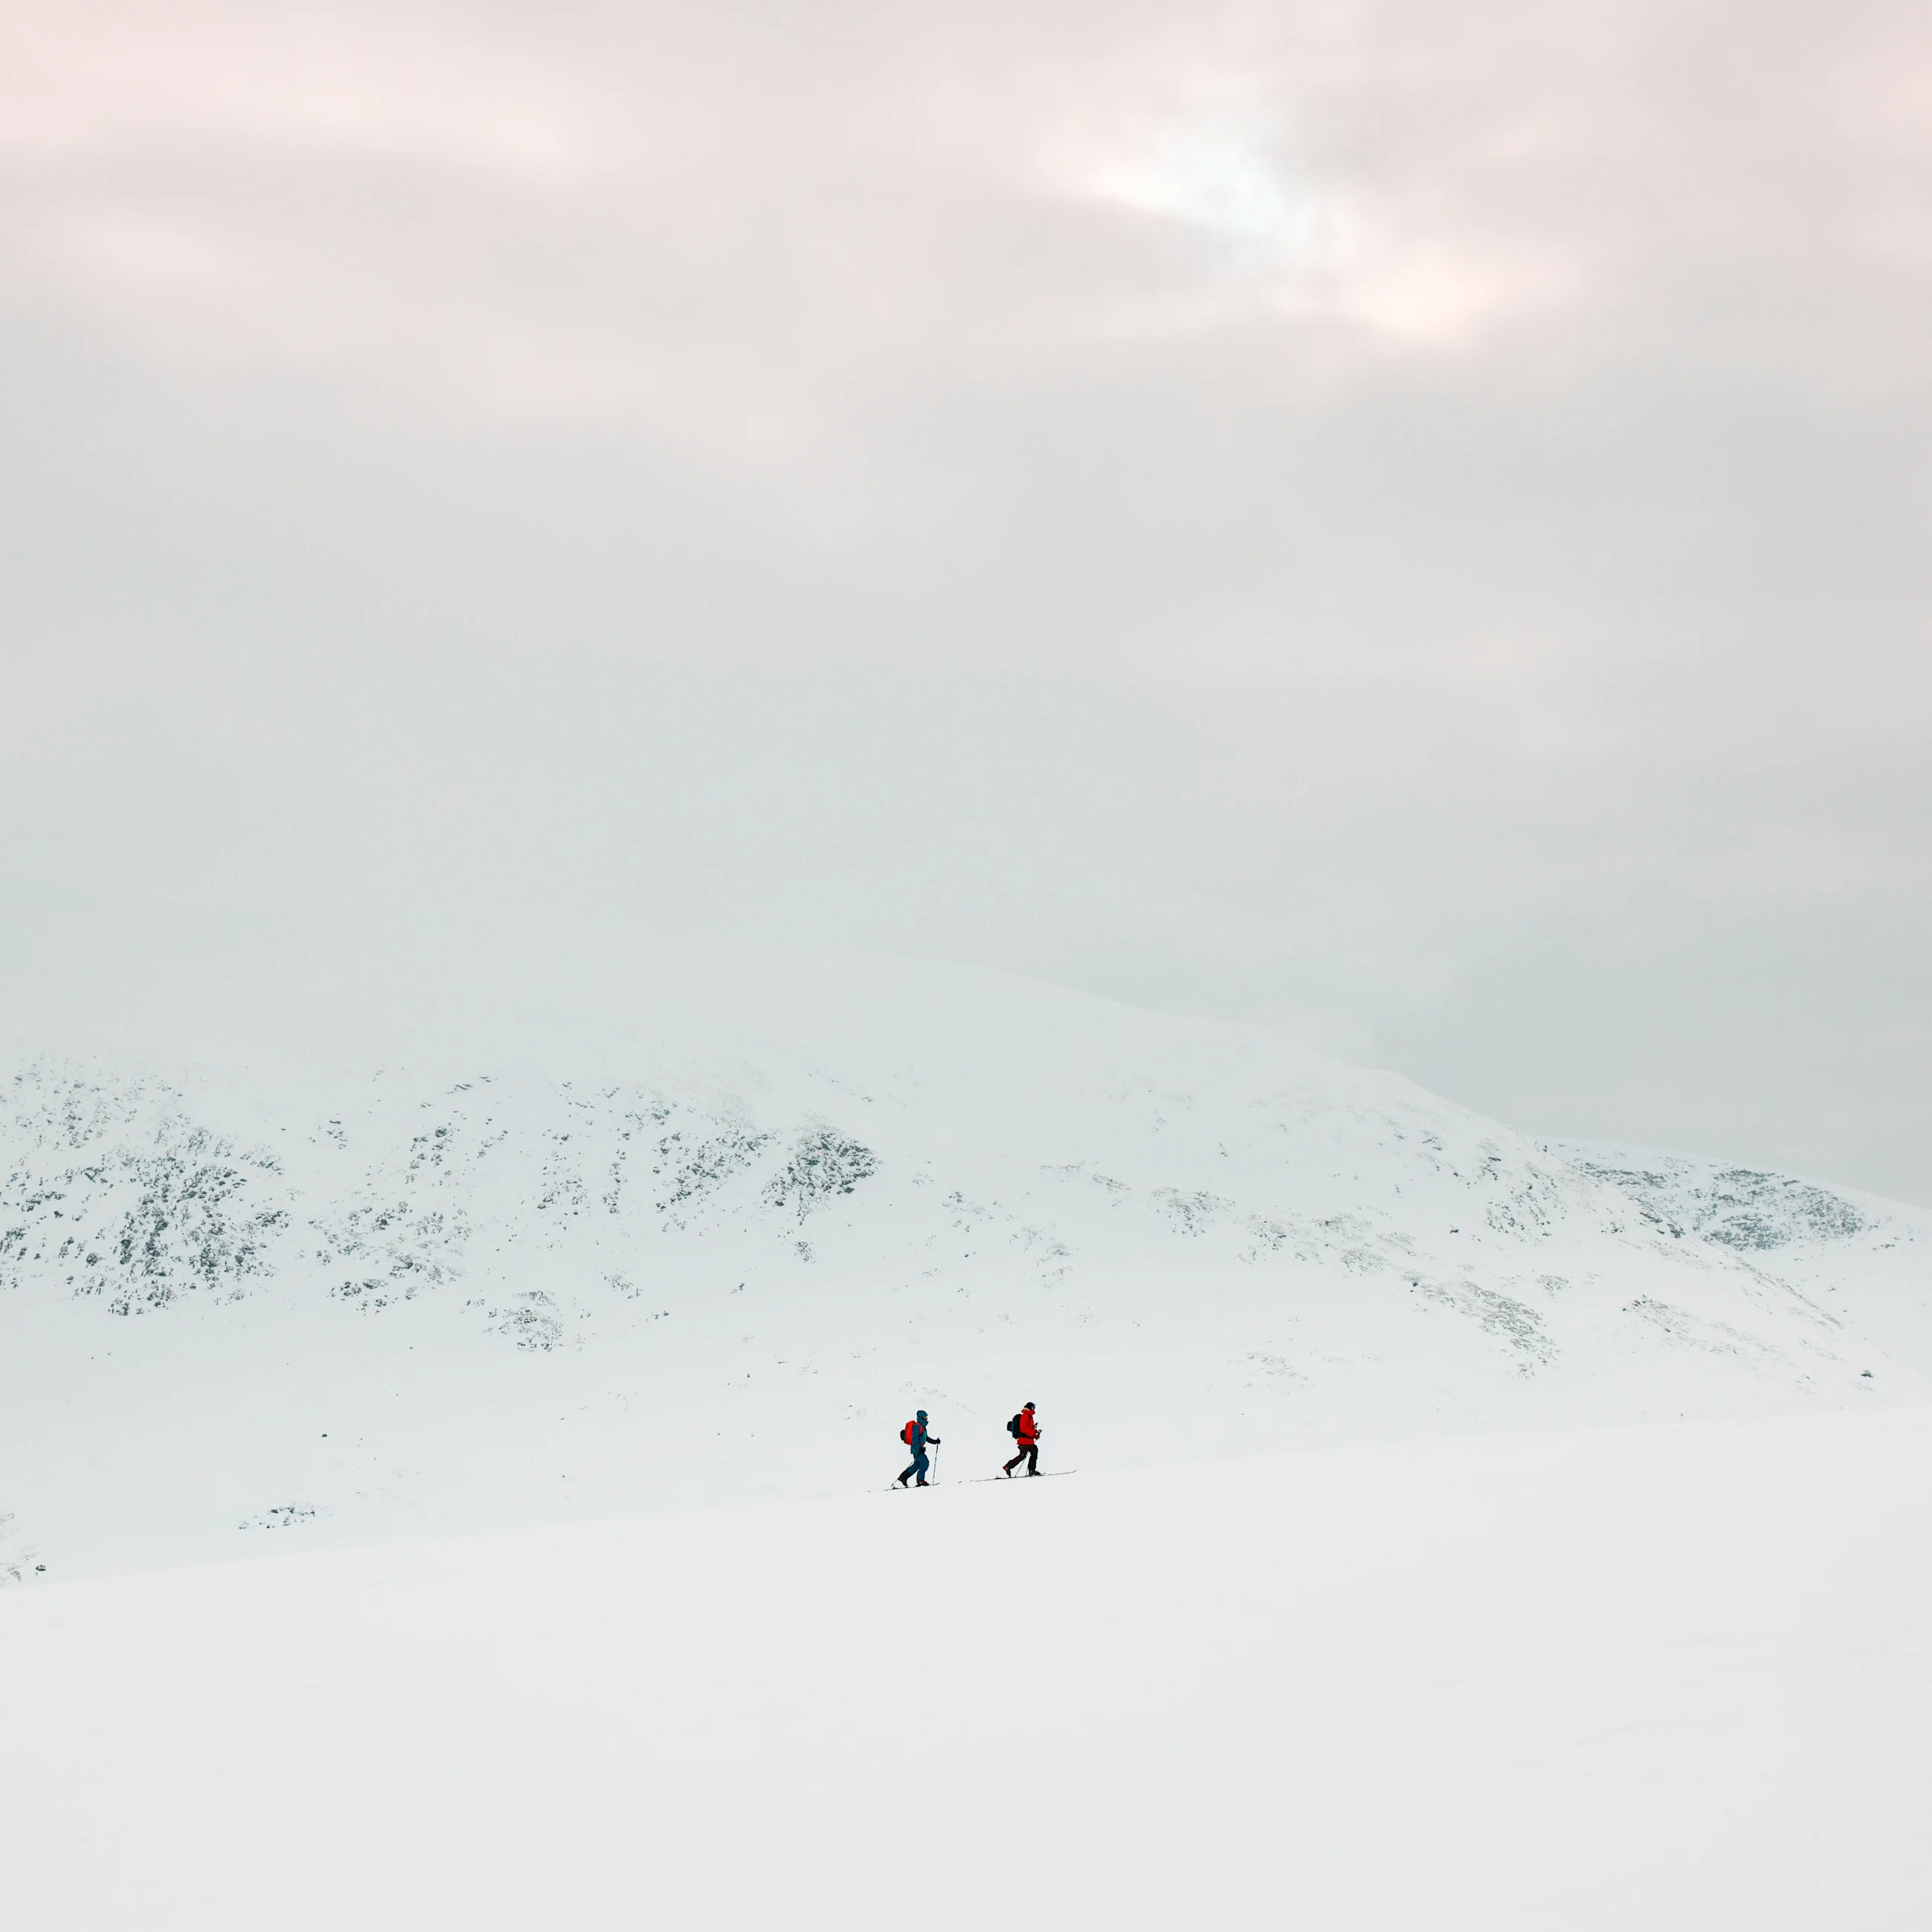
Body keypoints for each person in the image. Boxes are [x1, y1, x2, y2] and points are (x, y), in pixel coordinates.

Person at [897, 1410, 940, 1487]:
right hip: (917, 1449)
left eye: (926, 1417)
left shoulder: (922, 1427)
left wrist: (935, 1442)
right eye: (924, 1417)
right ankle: (920, 1481)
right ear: (920, 1417)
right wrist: (920, 1448)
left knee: (917, 1465)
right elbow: (914, 1439)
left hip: (917, 1449)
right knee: (925, 1463)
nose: (926, 1418)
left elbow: (925, 1438)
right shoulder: (917, 1426)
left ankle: (903, 1477)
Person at [1002, 1401, 1040, 1476]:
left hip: (1027, 1440)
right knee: (1023, 1455)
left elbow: (1028, 1429)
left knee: (1033, 1451)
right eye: (1033, 1407)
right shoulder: (1026, 1416)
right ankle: (1009, 1466)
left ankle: (1031, 1470)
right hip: (1024, 1440)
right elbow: (1024, 1429)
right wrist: (1034, 1435)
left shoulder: (1028, 1416)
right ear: (1030, 1408)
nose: (1034, 1409)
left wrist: (1035, 1433)